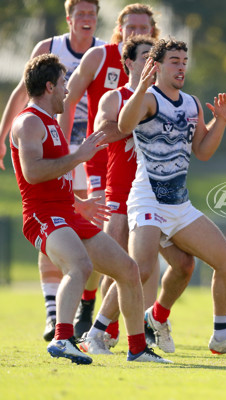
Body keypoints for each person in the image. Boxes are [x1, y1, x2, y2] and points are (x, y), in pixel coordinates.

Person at [10, 53, 169, 364]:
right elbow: (33, 173)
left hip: (66, 213)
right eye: (65, 83)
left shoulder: (50, 122)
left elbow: (54, 175)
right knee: (80, 266)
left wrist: (78, 203)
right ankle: (62, 338)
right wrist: (79, 156)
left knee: (128, 269)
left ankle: (137, 349)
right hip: (42, 216)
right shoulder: (29, 121)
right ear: (49, 86)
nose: (69, 90)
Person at [117, 38, 226, 356]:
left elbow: (203, 151)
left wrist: (221, 120)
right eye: (174, 61)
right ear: (157, 66)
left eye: (184, 60)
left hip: (179, 204)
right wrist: (140, 88)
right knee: (138, 270)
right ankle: (101, 329)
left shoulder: (192, 103)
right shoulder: (149, 98)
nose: (182, 66)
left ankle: (219, 336)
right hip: (149, 198)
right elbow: (124, 124)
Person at [79, 35, 195, 354]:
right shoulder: (116, 97)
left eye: (154, 56)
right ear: (129, 62)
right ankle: (104, 331)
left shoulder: (165, 99)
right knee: (120, 266)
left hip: (158, 196)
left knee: (184, 264)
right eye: (144, 55)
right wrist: (141, 121)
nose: (150, 61)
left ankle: (156, 318)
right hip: (121, 194)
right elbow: (103, 132)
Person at [0, 0, 105, 342]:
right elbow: (21, 92)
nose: (87, 19)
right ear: (69, 18)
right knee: (52, 227)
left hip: (86, 148)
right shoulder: (48, 49)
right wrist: (2, 137)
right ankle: (53, 316)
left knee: (87, 232)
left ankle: (85, 312)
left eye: (92, 14)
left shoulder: (102, 52)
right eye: (81, 14)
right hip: (53, 144)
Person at [57, 2, 160, 339]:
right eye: (130, 26)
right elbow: (67, 99)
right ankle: (96, 319)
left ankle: (141, 321)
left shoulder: (157, 69)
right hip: (101, 162)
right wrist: (61, 143)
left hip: (142, 169)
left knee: (145, 257)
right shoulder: (99, 57)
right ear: (120, 27)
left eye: (143, 27)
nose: (136, 32)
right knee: (109, 244)